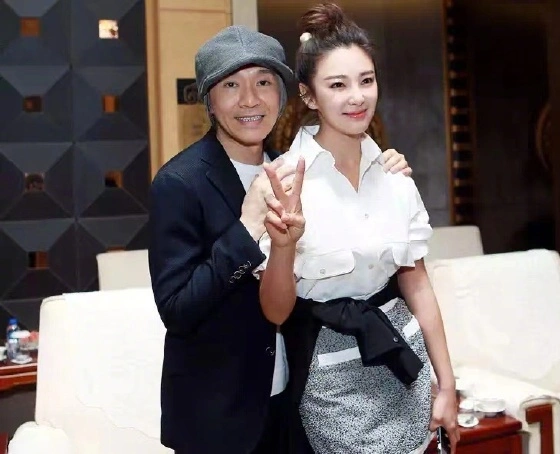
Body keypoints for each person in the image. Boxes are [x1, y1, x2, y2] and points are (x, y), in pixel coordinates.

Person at [148, 25, 413, 454]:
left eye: (264, 82)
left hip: (292, 403)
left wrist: (382, 176)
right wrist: (246, 227)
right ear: (209, 100)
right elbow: (176, 310)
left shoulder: (294, 170)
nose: (250, 100)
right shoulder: (179, 183)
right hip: (217, 418)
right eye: (231, 85)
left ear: (283, 94)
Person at [256, 3, 460, 454]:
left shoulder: (395, 177)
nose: (357, 97)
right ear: (309, 96)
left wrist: (447, 385)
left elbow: (418, 285)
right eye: (338, 85)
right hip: (329, 379)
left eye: (366, 81)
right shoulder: (283, 182)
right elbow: (274, 312)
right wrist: (285, 245)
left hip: (405, 362)